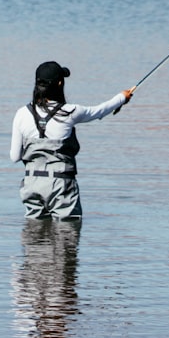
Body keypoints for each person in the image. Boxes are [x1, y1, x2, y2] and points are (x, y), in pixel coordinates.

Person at [10, 61, 134, 219]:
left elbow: (14, 157)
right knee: (67, 236)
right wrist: (122, 98)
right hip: (61, 184)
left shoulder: (21, 113)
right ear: (60, 83)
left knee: (34, 236)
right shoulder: (70, 112)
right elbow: (100, 110)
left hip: (31, 184)